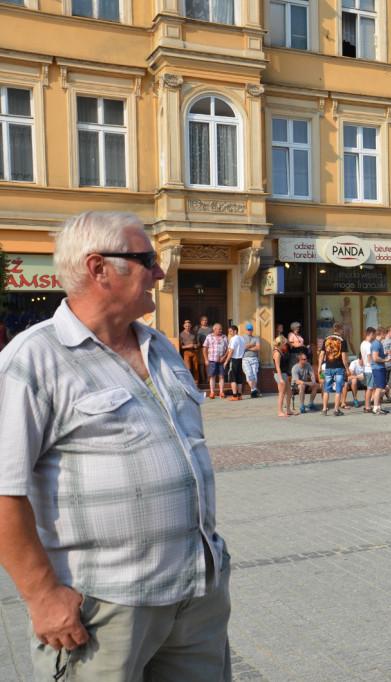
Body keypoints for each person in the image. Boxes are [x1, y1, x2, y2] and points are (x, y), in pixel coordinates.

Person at [0, 211, 231, 680]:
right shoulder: (33, 361)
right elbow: (5, 488)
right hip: (101, 610)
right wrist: (43, 596)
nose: (161, 271)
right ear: (98, 268)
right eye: (147, 259)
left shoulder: (160, 347)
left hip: (196, 595)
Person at [318, 322, 349, 416]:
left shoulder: (326, 339)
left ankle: (324, 409)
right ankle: (336, 409)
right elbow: (344, 356)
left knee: (327, 389)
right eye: (342, 329)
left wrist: (319, 366)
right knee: (338, 389)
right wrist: (347, 368)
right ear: (340, 330)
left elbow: (321, 354)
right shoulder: (342, 340)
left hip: (328, 366)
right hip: (339, 367)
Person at [203, 323, 229, 398]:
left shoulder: (224, 337)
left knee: (221, 376)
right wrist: (206, 359)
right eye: (219, 329)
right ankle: (212, 392)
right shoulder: (209, 337)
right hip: (212, 359)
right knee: (212, 376)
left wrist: (224, 357)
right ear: (214, 329)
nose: (221, 330)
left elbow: (228, 348)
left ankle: (221, 392)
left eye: (221, 329)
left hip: (222, 360)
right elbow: (205, 348)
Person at [273, 334, 296, 417]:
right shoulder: (277, 353)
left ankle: (288, 410)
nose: (285, 345)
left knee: (289, 392)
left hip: (284, 374)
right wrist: (281, 379)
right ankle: (280, 411)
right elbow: (277, 367)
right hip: (280, 374)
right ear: (281, 343)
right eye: (284, 343)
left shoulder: (280, 351)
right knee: (281, 393)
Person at [369, 327, 389, 415]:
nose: (385, 335)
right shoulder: (376, 344)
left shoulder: (378, 343)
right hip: (378, 368)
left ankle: (378, 407)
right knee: (379, 388)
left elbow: (378, 356)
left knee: (380, 387)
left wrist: (385, 355)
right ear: (381, 334)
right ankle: (376, 407)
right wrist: (385, 360)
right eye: (385, 333)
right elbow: (375, 357)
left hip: (379, 367)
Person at [226, 324, 246, 400]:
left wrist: (226, 360)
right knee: (239, 377)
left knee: (233, 377)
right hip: (240, 359)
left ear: (235, 331)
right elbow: (244, 349)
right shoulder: (242, 338)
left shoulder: (233, 339)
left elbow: (231, 351)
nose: (229, 333)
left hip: (234, 359)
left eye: (230, 331)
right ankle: (239, 394)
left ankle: (234, 395)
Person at [241, 322, 261, 397]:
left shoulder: (256, 338)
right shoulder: (242, 338)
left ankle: (253, 391)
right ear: (246, 330)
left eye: (250, 330)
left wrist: (247, 347)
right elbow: (242, 347)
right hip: (245, 358)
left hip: (254, 358)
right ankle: (254, 390)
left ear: (252, 330)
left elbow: (258, 348)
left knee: (254, 374)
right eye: (248, 330)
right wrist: (252, 345)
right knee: (249, 374)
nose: (249, 331)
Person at [180, 319, 201, 384]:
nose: (187, 327)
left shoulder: (194, 333)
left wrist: (196, 345)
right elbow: (180, 346)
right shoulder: (181, 334)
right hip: (186, 352)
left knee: (196, 368)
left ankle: (196, 383)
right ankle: (188, 383)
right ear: (184, 326)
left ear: (191, 326)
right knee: (188, 368)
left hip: (195, 351)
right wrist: (187, 346)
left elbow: (199, 343)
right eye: (186, 326)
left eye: (188, 326)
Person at [359, 327, 376, 409]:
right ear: (371, 334)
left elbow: (363, 357)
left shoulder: (362, 343)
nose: (375, 337)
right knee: (370, 389)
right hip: (369, 369)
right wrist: (373, 366)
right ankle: (368, 407)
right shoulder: (369, 345)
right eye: (374, 335)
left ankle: (368, 405)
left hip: (365, 369)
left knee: (369, 388)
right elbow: (369, 357)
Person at [196, 315, 213, 388]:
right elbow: (194, 336)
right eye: (203, 320)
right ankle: (203, 379)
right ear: (200, 321)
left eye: (205, 320)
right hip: (201, 348)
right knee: (202, 363)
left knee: (208, 364)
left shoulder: (210, 329)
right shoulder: (197, 328)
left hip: (209, 348)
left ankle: (208, 378)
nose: (204, 321)